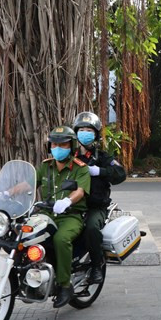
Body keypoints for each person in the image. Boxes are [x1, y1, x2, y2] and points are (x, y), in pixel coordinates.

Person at [35, 126, 91, 308]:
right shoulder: (45, 166)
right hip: (46, 214)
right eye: (54, 143)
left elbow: (80, 191)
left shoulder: (80, 169)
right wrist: (8, 191)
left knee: (61, 239)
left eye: (63, 144)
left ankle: (65, 285)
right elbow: (27, 184)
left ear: (72, 145)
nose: (58, 147)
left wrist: (67, 201)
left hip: (70, 216)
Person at [72, 111, 127, 285]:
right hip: (71, 205)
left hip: (95, 206)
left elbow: (120, 174)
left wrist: (100, 172)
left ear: (95, 134)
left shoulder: (102, 157)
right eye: (81, 129)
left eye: (89, 130)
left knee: (91, 229)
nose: (85, 133)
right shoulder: (69, 156)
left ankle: (96, 266)